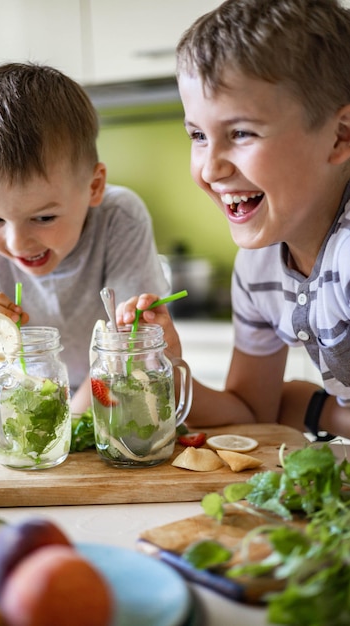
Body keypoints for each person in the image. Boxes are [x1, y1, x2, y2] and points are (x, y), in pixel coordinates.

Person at [117, 0, 350, 440]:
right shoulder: (259, 267)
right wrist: (167, 367)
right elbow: (251, 413)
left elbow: (284, 409)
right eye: (198, 136)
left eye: (241, 133)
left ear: (339, 136)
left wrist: (319, 411)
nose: (210, 168)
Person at [0, 62, 169, 410]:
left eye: (44, 217)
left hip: (114, 399)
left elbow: (128, 348)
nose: (18, 242)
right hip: (31, 406)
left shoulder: (119, 217)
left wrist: (68, 421)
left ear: (94, 187)